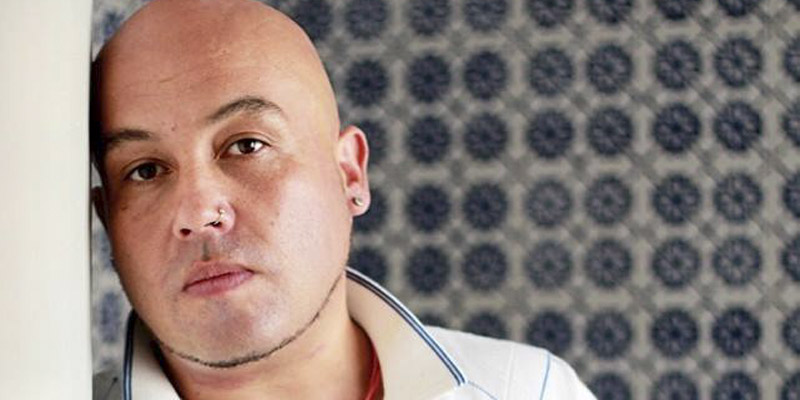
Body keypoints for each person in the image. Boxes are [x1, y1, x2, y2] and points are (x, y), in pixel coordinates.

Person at [90, 0, 595, 398]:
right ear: (107, 220)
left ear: (349, 174)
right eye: (145, 170)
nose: (199, 212)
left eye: (247, 146)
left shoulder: (533, 390)